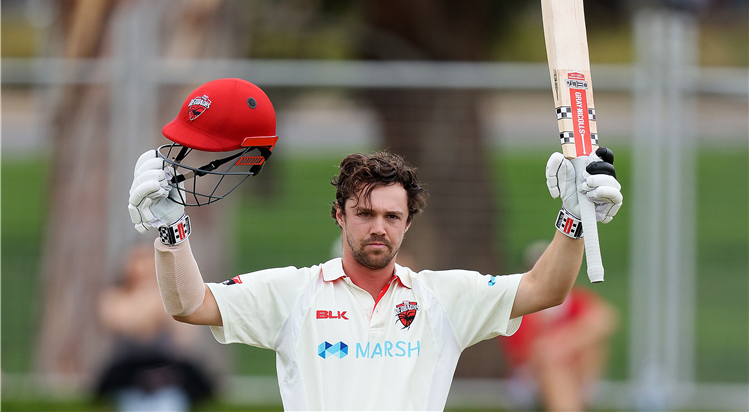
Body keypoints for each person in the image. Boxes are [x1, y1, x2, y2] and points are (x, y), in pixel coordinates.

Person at [126, 78, 623, 410]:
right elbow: (190, 304)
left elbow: (546, 289)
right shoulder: (294, 293)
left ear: (408, 225)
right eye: (364, 214)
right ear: (340, 216)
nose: (378, 227)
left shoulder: (441, 299)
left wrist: (574, 218)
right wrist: (172, 232)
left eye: (392, 216)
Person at [500, 241, 619, 412]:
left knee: (584, 346)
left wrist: (565, 341)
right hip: (530, 377)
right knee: (554, 367)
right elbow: (527, 353)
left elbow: (605, 319)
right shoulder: (521, 304)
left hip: (577, 371)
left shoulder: (573, 299)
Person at [95, 243, 214, 411]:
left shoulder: (170, 295)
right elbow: (125, 323)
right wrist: (150, 296)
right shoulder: (115, 295)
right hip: (129, 372)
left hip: (166, 372)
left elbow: (183, 337)